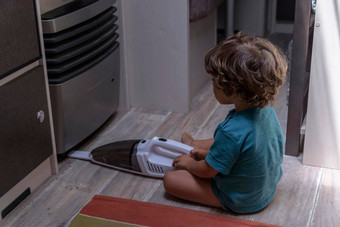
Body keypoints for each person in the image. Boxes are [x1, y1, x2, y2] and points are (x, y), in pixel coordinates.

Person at [163, 32, 287, 213]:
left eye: (215, 81)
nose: (213, 84)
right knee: (223, 145)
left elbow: (207, 171)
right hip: (266, 189)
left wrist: (189, 164)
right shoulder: (267, 111)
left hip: (242, 198)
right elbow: (245, 147)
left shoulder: (232, 131)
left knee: (171, 180)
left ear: (233, 88)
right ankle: (198, 146)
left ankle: (219, 188)